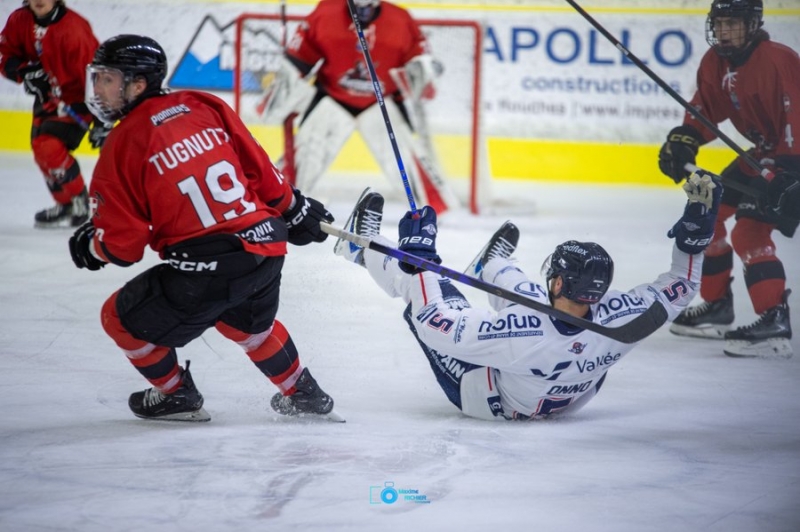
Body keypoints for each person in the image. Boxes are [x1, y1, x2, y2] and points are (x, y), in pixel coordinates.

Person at [68, 34, 338, 422]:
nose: (98, 89)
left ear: (138, 84)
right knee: (247, 325)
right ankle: (305, 395)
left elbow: (123, 248)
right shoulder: (202, 104)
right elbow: (259, 169)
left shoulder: (123, 143)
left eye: (107, 79)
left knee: (117, 317)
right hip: (267, 248)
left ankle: (176, 395)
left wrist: (90, 246)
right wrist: (294, 209)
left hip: (207, 267)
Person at [332, 172, 720, 421]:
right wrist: (693, 242)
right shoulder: (625, 317)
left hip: (486, 394)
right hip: (569, 394)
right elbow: (681, 286)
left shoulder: (519, 334)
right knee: (531, 300)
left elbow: (434, 324)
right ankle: (490, 266)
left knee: (438, 290)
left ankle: (362, 247)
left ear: (558, 281)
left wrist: (420, 259)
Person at [657, 0, 799, 359]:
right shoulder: (715, 62)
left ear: (753, 25)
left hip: (790, 157)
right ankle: (718, 306)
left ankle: (774, 320)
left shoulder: (777, 60)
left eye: (733, 24)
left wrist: (790, 173)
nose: (724, 31)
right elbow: (705, 108)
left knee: (749, 232)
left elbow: (795, 118)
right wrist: (684, 141)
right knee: (708, 211)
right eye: (719, 24)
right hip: (764, 153)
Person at [259, 0, 457, 213]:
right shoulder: (326, 12)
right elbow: (299, 60)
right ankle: (277, 203)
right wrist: (282, 91)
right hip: (333, 98)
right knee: (306, 155)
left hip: (381, 103)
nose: (362, 12)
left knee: (407, 160)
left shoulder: (400, 20)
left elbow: (419, 65)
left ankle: (433, 211)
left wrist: (422, 72)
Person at [0, 0, 108, 228]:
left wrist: (102, 120)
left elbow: (97, 78)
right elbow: (5, 56)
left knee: (48, 146)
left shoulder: (74, 31)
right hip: (47, 99)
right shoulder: (20, 21)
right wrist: (25, 72)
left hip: (78, 101)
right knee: (41, 151)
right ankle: (66, 204)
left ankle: (80, 201)